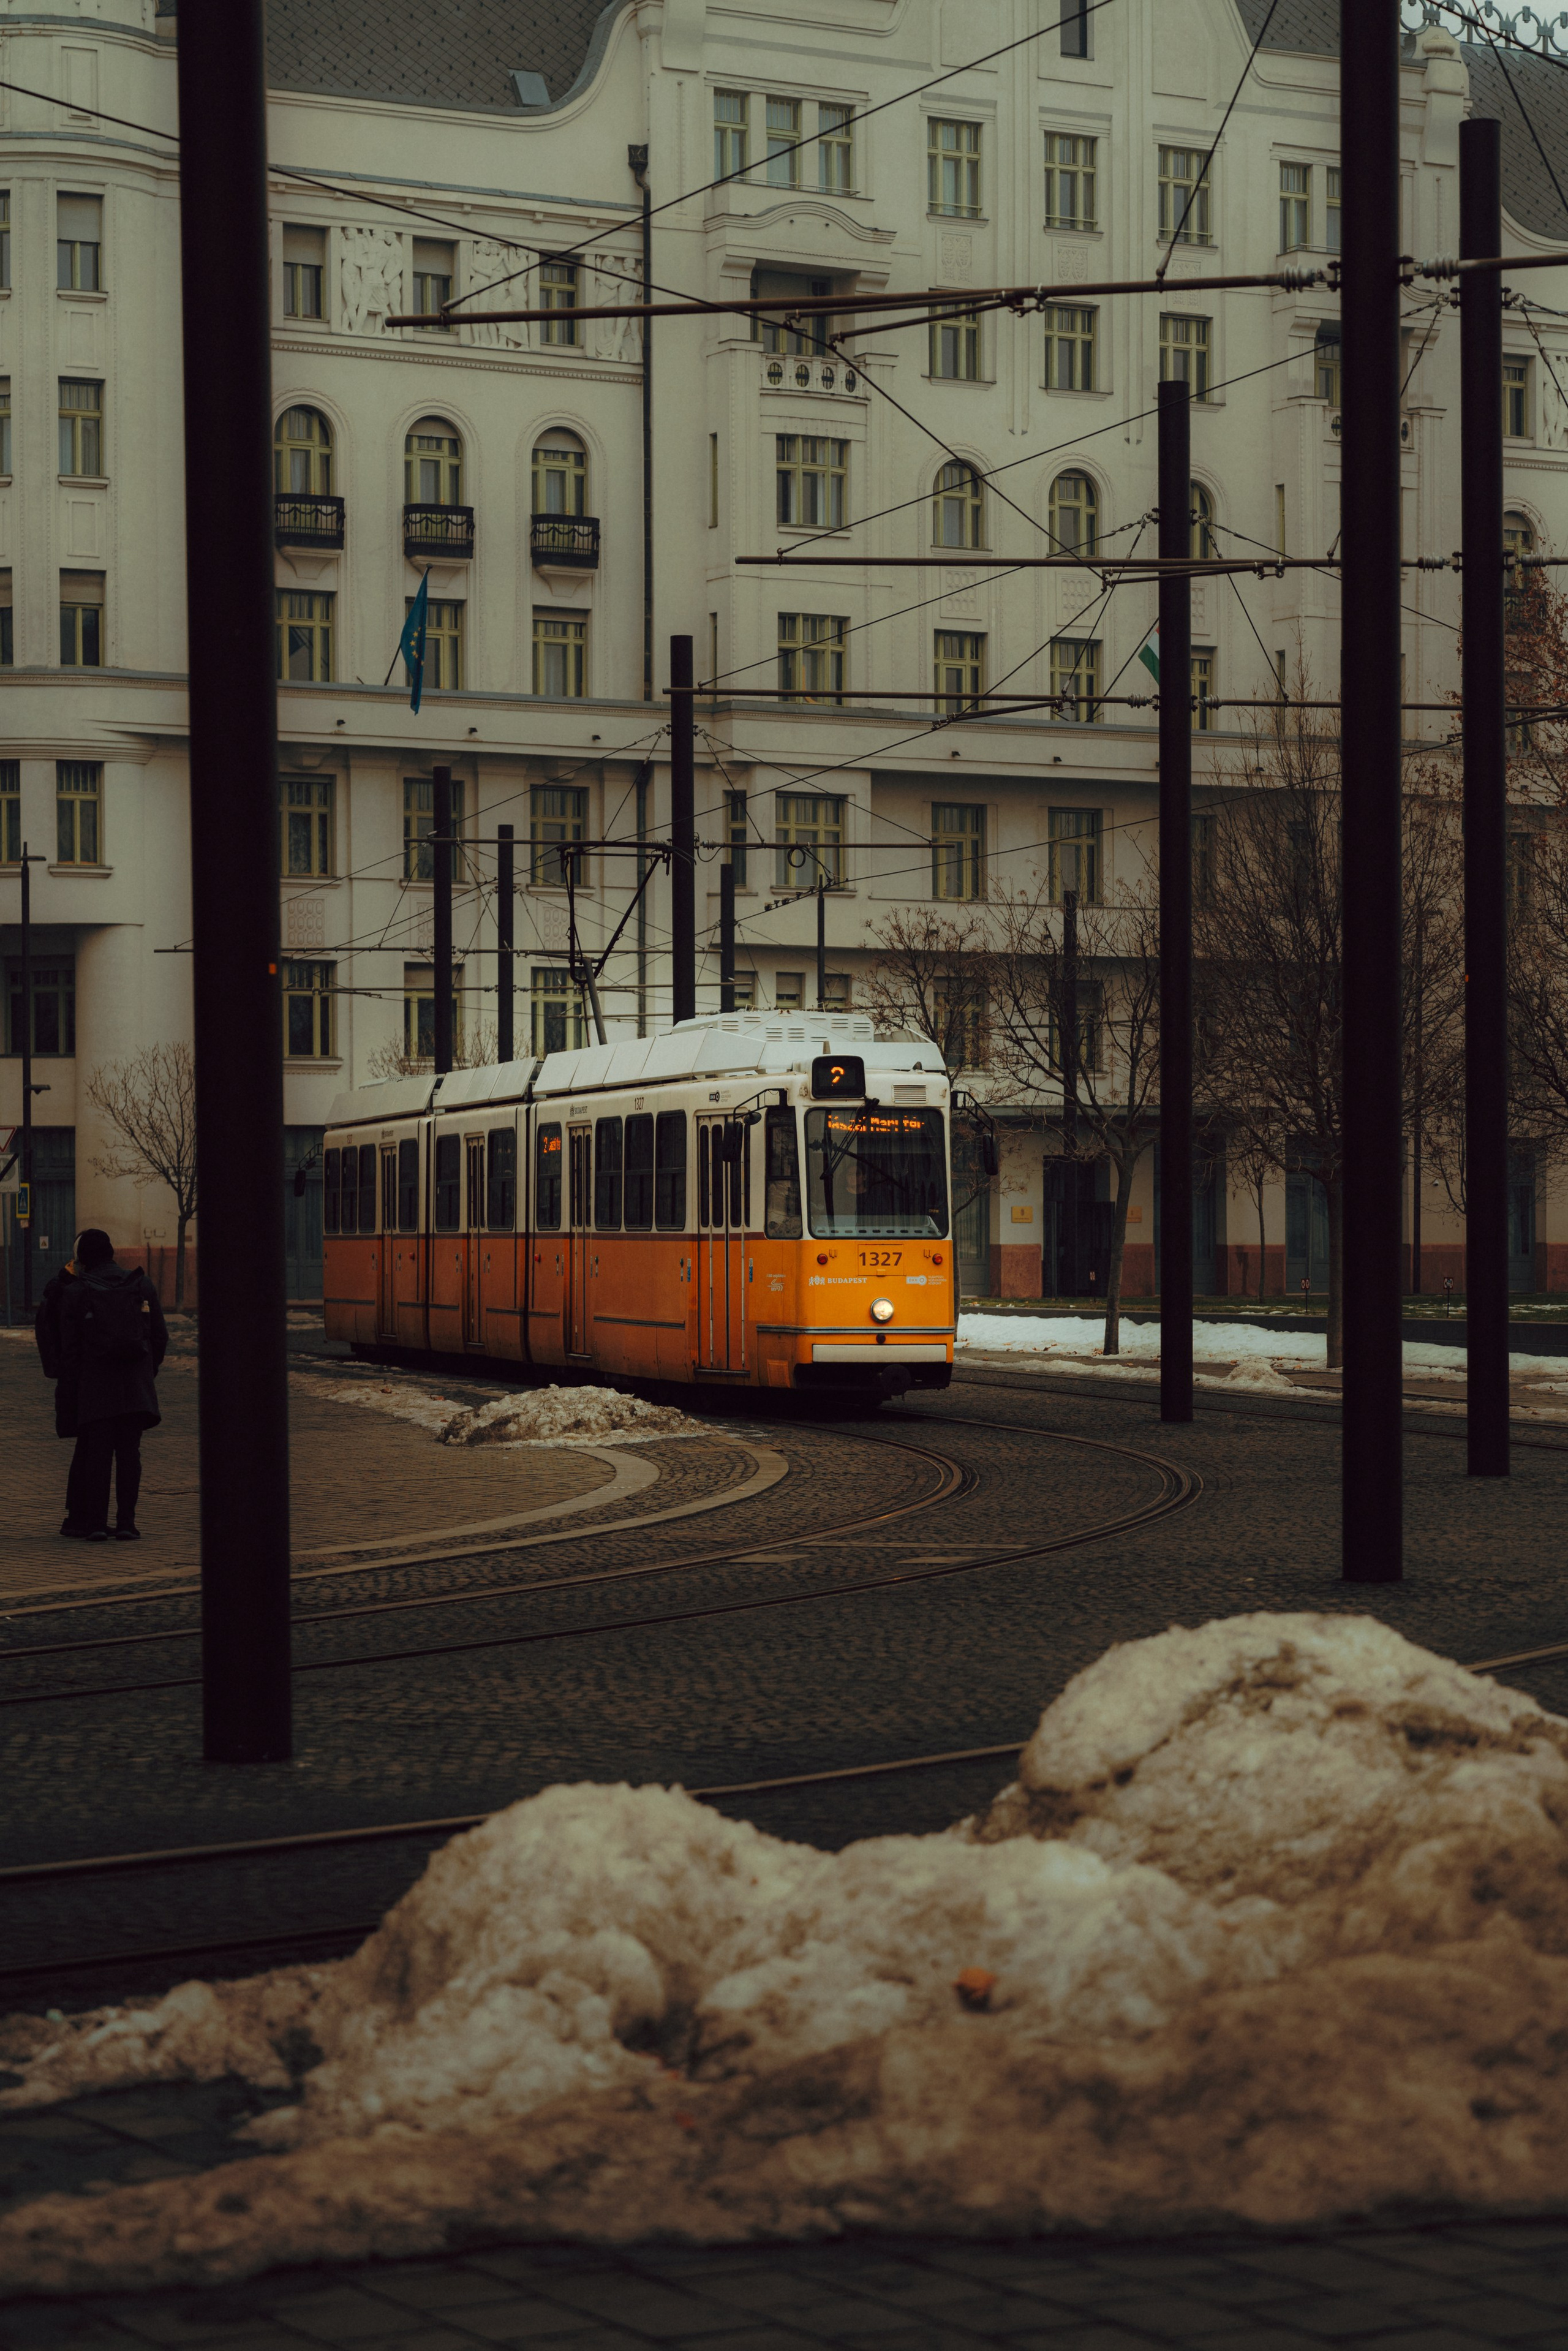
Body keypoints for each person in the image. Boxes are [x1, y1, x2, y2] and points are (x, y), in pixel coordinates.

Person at [56, 1229, 168, 1542]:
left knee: (99, 1455)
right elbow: (159, 1336)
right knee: (130, 1454)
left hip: (95, 1387)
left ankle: (95, 1523)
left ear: (83, 1260)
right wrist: (147, 1369)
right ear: (112, 1252)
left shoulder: (77, 1292)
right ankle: (127, 1523)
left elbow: (70, 1349)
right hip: (135, 1387)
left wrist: (75, 1383)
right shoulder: (140, 1284)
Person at [34, 1247, 89, 1535]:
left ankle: (78, 1516)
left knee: (87, 1448)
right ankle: (83, 1517)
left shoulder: (61, 1289)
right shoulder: (68, 1292)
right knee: (91, 1449)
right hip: (80, 1380)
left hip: (72, 1380)